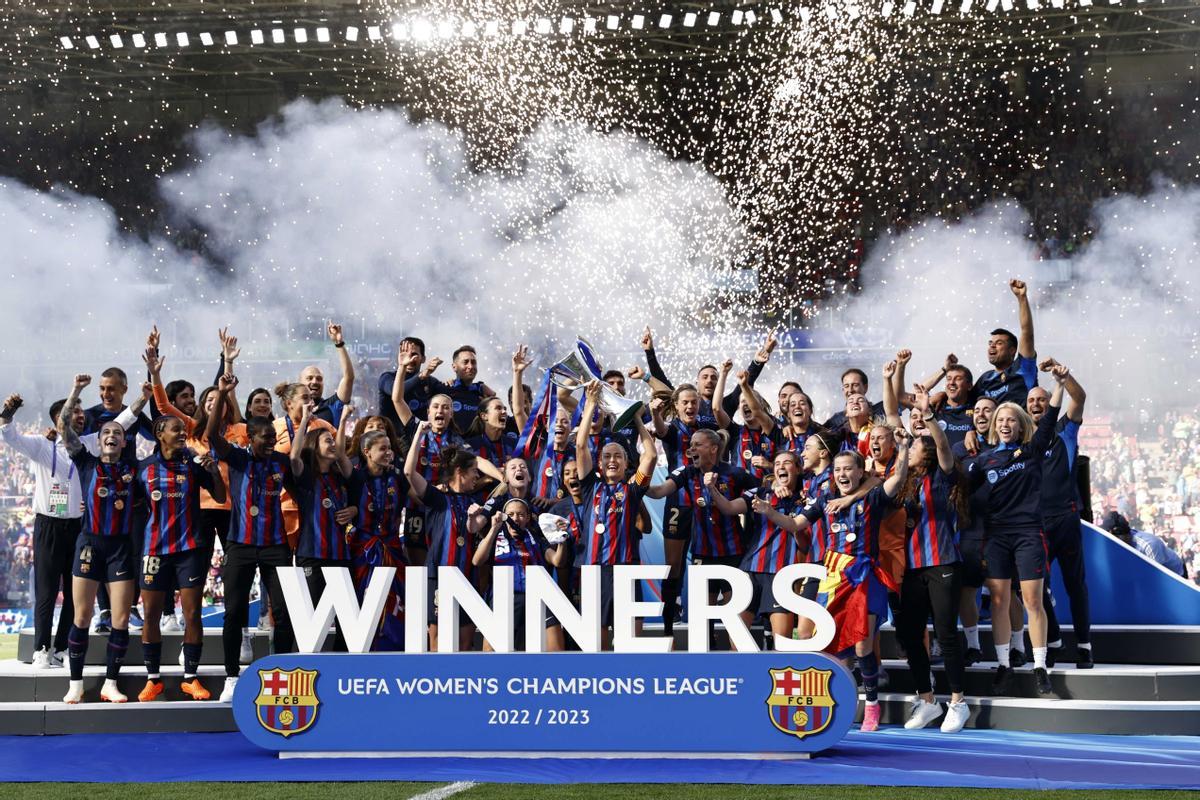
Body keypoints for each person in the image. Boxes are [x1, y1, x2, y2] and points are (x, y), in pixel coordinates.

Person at [0, 387, 146, 667]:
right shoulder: (41, 445)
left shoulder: (91, 443)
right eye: (75, 412)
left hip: (80, 528)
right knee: (46, 590)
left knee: (74, 591)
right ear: (59, 419)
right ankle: (41, 649)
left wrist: (145, 396)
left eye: (81, 412)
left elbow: (124, 420)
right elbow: (8, 434)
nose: (82, 416)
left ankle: (62, 648)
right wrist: (9, 411)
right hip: (49, 526)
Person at [966, 360, 1068, 698]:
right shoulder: (983, 460)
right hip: (995, 537)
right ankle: (1003, 665)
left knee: (1032, 601)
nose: (1005, 423)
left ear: (1020, 423)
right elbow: (958, 486)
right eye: (1000, 420)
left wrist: (1061, 384)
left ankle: (1040, 669)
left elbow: (1052, 417)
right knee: (997, 600)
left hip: (1029, 534)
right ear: (993, 426)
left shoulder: (1034, 450)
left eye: (1011, 418)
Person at [792, 444, 910, 732]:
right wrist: (768, 511)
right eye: (837, 469)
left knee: (862, 645)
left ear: (859, 472)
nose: (842, 473)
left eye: (848, 468)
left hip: (865, 575)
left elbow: (895, 480)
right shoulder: (824, 500)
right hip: (834, 577)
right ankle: (840, 705)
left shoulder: (872, 497)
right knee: (832, 646)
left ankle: (871, 704)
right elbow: (793, 523)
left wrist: (904, 449)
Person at [205, 374, 297, 698]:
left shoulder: (282, 462)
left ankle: (282, 674)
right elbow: (212, 434)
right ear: (250, 438)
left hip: (275, 547)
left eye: (273, 435)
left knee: (283, 614)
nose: (271, 441)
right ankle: (232, 676)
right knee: (234, 612)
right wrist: (221, 394)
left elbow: (301, 492)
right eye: (264, 437)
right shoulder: (238, 458)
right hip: (240, 545)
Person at [56, 376, 140, 703]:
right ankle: (75, 683)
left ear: (124, 442)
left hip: (120, 548)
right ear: (99, 440)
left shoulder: (135, 471)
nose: (110, 436)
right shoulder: (86, 463)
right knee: (81, 616)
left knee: (119, 620)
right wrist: (76, 391)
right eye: (106, 432)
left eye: (117, 433)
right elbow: (65, 427)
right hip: (89, 544)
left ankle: (110, 682)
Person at [896, 384, 971, 733]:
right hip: (910, 569)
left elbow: (943, 445)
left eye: (914, 446)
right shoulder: (902, 481)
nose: (910, 448)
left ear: (924, 453)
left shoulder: (942, 476)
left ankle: (958, 702)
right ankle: (927, 701)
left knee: (946, 633)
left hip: (942, 563)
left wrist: (927, 415)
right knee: (911, 634)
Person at [135, 412, 226, 701]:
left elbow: (221, 497)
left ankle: (191, 678)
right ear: (160, 433)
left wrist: (213, 472)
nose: (182, 433)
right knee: (150, 614)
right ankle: (153, 679)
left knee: (192, 614)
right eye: (176, 429)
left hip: (190, 549)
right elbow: (132, 504)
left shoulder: (194, 464)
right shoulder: (144, 468)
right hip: (154, 550)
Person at [574, 381, 658, 649]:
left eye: (618, 456)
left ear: (625, 463)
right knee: (596, 645)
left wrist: (636, 417)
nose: (612, 460)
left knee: (630, 645)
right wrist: (589, 404)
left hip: (626, 571)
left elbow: (651, 455)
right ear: (599, 463)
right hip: (594, 571)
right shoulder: (590, 487)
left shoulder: (632, 489)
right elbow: (580, 446)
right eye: (607, 456)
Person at [708, 450, 809, 650]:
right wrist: (712, 489)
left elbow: (805, 545)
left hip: (782, 575)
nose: (781, 466)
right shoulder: (759, 493)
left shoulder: (805, 499)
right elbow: (728, 508)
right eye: (777, 463)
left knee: (783, 645)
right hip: (750, 571)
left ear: (798, 469)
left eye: (787, 462)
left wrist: (790, 521)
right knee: (738, 643)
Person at [1027, 358, 1091, 668]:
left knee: (1075, 583)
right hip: (1036, 524)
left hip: (1065, 518)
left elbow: (1080, 398)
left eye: (1041, 399)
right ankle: (1052, 641)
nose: (1037, 404)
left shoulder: (1065, 429)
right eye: (1031, 401)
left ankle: (1084, 646)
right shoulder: (1025, 439)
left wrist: (1064, 378)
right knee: (1039, 586)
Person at [404, 427, 485, 652]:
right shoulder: (438, 498)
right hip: (439, 575)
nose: (477, 476)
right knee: (438, 639)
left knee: (466, 642)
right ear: (460, 472)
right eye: (474, 471)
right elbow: (409, 473)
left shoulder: (476, 501)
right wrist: (418, 433)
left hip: (468, 575)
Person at [290, 404, 357, 656]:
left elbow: (357, 500)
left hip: (341, 556)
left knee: (347, 620)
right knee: (312, 619)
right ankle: (306, 668)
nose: (332, 444)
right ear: (314, 447)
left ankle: (342, 669)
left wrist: (354, 510)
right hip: (312, 554)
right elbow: (294, 457)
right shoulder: (306, 477)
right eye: (326, 440)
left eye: (332, 440)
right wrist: (306, 419)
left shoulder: (341, 477)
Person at [471, 498, 568, 651]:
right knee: (491, 652)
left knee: (555, 648)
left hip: (537, 596)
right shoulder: (495, 537)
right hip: (505, 598)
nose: (515, 518)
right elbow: (477, 561)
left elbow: (557, 561)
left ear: (528, 517)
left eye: (521, 514)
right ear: (503, 516)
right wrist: (494, 529)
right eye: (511, 514)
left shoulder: (536, 538)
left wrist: (561, 540)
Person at [349, 427, 411, 651]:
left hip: (393, 548)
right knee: (364, 601)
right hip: (363, 551)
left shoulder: (397, 477)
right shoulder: (355, 478)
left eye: (390, 449)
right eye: (382, 449)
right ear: (367, 451)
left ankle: (394, 648)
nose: (388, 453)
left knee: (395, 600)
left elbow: (413, 482)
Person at [953, 395, 997, 665]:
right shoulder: (961, 448)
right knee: (967, 590)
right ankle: (973, 646)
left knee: (1006, 592)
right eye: (977, 410)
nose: (981, 415)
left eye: (987, 410)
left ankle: (1015, 648)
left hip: (1001, 531)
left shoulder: (1010, 445)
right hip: (970, 529)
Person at [272, 381, 336, 549]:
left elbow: (340, 455)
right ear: (289, 403)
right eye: (305, 398)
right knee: (284, 563)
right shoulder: (275, 427)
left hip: (316, 502)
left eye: (311, 398)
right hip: (283, 503)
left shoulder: (322, 426)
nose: (311, 403)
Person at [973, 279, 1038, 408]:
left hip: (1020, 427)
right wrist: (941, 394)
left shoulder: (1023, 369)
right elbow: (962, 399)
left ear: (1012, 350)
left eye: (999, 343)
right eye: (990, 343)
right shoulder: (985, 379)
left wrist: (1022, 298)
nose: (992, 346)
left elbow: (1027, 334)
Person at [715, 368, 777, 484]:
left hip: (767, 493)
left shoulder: (774, 431)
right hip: (739, 495)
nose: (746, 404)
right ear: (738, 408)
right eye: (742, 402)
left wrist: (769, 465)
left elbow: (788, 465)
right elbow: (717, 409)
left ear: (760, 405)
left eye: (749, 400)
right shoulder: (735, 431)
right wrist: (723, 374)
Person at [377, 336, 443, 427]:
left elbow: (450, 395)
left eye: (414, 354)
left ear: (423, 358)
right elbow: (395, 392)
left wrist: (453, 381)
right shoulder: (387, 378)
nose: (409, 358)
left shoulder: (431, 382)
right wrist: (420, 376)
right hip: (392, 439)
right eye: (405, 354)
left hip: (419, 438)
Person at [299, 322, 355, 427]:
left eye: (319, 379)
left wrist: (339, 343)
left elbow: (349, 378)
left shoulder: (332, 405)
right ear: (300, 383)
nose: (315, 382)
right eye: (309, 378)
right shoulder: (293, 409)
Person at [1101, 511, 1187, 577]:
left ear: (1116, 534)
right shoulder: (1116, 545)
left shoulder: (1149, 545)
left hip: (1175, 576)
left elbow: (1155, 578)